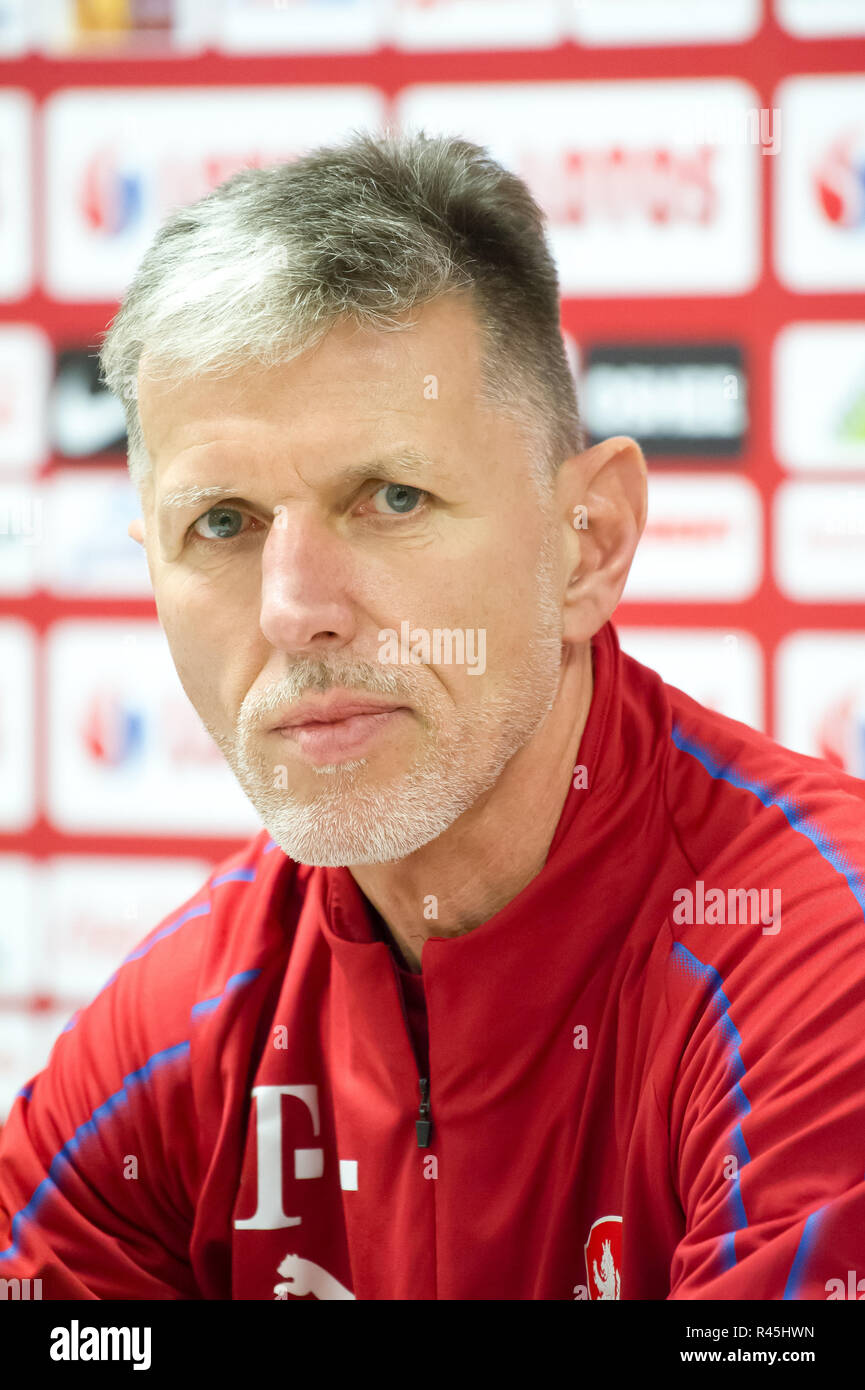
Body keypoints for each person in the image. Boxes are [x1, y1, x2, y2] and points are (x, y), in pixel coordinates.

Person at [1, 129, 863, 1301]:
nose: (297, 608)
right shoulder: (180, 1025)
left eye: (392, 497)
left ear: (588, 544)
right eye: (223, 522)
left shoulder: (819, 959)